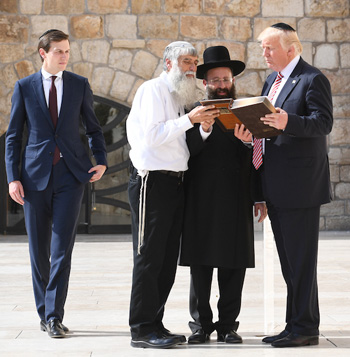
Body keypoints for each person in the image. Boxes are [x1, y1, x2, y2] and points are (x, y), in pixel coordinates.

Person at [235, 23, 333, 347]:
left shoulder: (312, 79)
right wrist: (251, 135)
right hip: (276, 185)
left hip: (301, 187)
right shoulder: (271, 82)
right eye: (262, 47)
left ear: (291, 49)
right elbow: (268, 130)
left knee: (302, 261)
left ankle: (305, 328)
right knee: (290, 263)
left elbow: (323, 122)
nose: (263, 53)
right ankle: (294, 325)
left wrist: (287, 121)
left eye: (269, 47)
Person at [5, 29, 107, 338]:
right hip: (34, 178)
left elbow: (93, 127)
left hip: (71, 176)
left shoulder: (79, 85)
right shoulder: (24, 87)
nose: (64, 56)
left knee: (62, 249)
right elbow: (13, 137)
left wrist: (100, 158)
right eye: (58, 51)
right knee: (39, 251)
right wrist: (13, 178)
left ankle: (53, 315)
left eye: (66, 51)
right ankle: (43, 312)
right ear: (43, 52)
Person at [126, 41, 220, 349]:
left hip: (175, 183)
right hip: (152, 183)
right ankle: (141, 328)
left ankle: (155, 323)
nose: (192, 66)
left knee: (166, 260)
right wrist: (189, 121)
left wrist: (200, 125)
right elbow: (152, 138)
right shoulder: (153, 90)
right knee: (149, 257)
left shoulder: (180, 95)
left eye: (194, 61)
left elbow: (180, 143)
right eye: (185, 61)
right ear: (168, 64)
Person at [179, 46, 267, 344]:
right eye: (215, 80)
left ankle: (228, 325)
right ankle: (200, 326)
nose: (220, 84)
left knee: (233, 264)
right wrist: (202, 129)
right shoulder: (192, 110)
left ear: (232, 80)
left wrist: (246, 144)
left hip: (236, 197)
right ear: (205, 83)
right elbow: (184, 154)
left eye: (225, 79)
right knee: (200, 266)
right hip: (200, 198)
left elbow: (259, 160)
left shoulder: (248, 109)